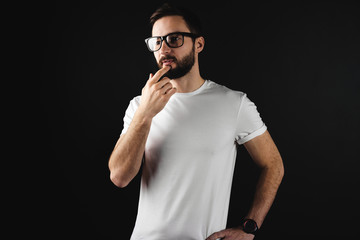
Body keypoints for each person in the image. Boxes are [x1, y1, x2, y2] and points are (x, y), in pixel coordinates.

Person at [108, 3, 284, 240]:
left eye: (174, 39)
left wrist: (249, 228)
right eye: (157, 41)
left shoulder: (234, 103)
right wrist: (145, 114)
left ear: (198, 44)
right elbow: (119, 177)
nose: (163, 49)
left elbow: (273, 164)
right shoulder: (139, 106)